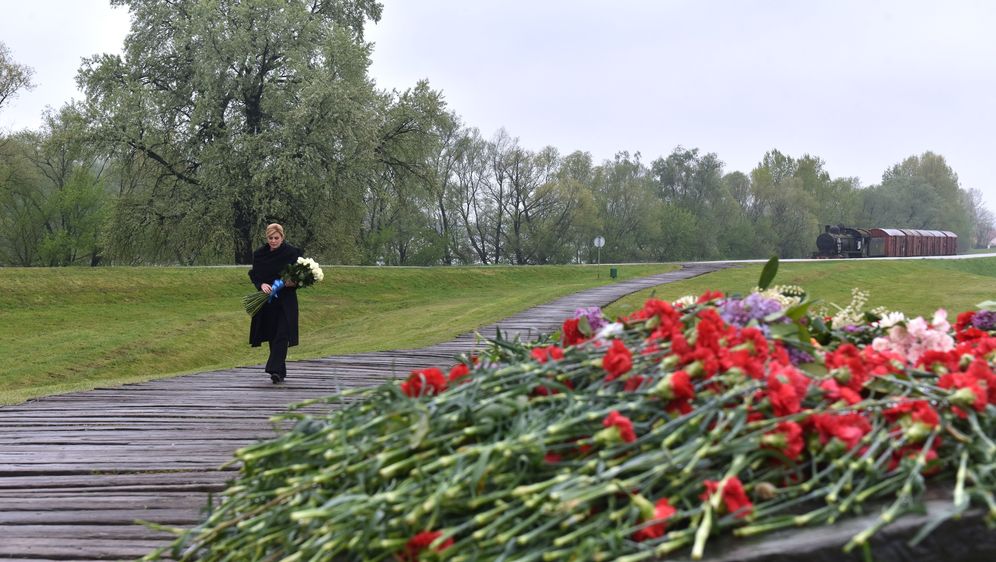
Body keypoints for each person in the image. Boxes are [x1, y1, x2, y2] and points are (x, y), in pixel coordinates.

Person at [248, 223, 302, 384]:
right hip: (268, 301)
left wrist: (293, 282)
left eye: (276, 238)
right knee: (273, 335)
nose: (273, 241)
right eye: (270, 238)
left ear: (282, 237)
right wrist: (261, 285)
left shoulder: (292, 253)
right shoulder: (260, 255)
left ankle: (273, 367)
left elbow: (299, 276)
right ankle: (279, 372)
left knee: (282, 335)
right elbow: (255, 274)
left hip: (286, 301)